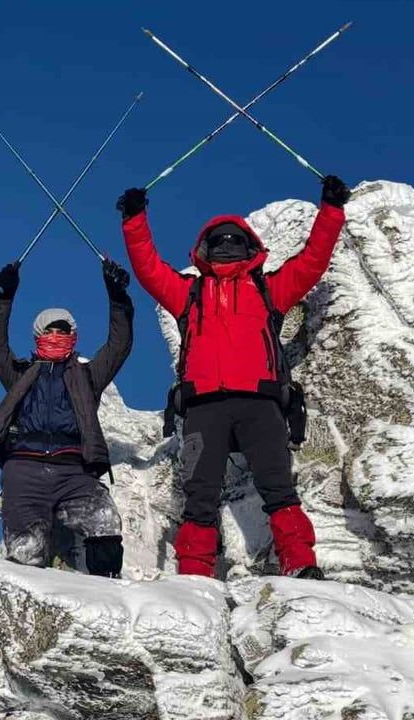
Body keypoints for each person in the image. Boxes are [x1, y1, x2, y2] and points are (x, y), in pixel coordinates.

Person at [116, 175, 351, 579]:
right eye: (219, 242)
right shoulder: (188, 293)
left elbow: (313, 261)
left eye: (234, 241)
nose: (227, 247)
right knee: (199, 498)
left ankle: (299, 562)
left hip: (260, 403)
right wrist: (135, 220)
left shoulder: (268, 290)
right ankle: (195, 574)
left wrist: (331, 211)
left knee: (279, 490)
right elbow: (149, 269)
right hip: (204, 406)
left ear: (249, 248)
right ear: (206, 251)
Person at [0, 259, 133, 577]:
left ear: (73, 337)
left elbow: (118, 346)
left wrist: (118, 297)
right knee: (26, 553)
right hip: (24, 469)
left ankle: (107, 590)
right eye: (49, 331)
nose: (56, 336)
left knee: (104, 520)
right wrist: (3, 297)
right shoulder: (21, 374)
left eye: (62, 331)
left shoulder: (87, 376)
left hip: (73, 472)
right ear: (38, 336)